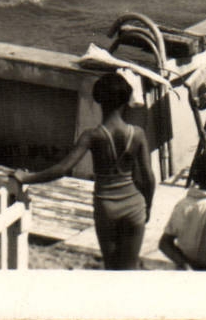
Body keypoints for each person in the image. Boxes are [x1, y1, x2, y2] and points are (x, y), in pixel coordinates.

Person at [13, 74, 156, 269]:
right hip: (134, 204)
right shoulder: (138, 134)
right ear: (126, 101)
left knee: (111, 267)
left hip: (106, 205)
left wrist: (26, 178)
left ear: (98, 100)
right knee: (129, 269)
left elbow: (62, 168)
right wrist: (148, 205)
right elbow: (148, 178)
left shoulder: (92, 136)